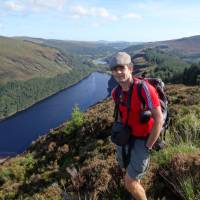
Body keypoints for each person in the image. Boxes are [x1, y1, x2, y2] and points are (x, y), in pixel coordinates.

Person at [110, 52, 163, 200]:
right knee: (127, 170)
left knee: (129, 181)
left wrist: (149, 145)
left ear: (130, 68)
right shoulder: (116, 92)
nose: (118, 72)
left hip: (143, 139)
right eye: (115, 69)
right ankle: (135, 193)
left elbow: (158, 119)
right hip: (126, 137)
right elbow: (120, 114)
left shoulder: (144, 89)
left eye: (122, 68)